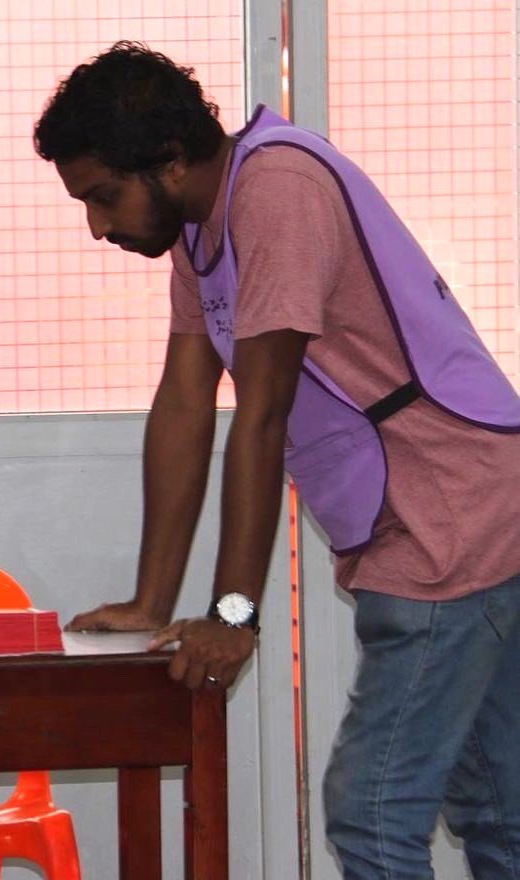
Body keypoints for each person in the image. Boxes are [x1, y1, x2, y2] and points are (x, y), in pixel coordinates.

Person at [35, 41, 520, 879]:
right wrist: (151, 601)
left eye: (104, 196)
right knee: (495, 804)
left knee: (372, 814)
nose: (98, 226)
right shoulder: (199, 227)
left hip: (452, 515)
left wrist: (232, 616)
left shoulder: (278, 191)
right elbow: (184, 405)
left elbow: (260, 416)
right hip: (442, 510)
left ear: (169, 159)